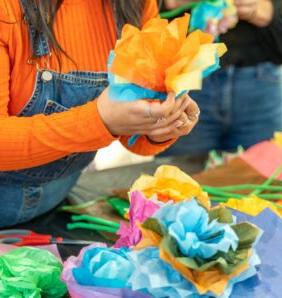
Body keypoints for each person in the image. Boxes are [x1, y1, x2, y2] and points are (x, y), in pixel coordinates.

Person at [0, 0, 200, 227]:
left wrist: (160, 124)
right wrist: (100, 121)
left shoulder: (135, 5)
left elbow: (136, 141)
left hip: (55, 206)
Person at [161, 0, 282, 156]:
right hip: (181, 78)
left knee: (264, 174)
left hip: (262, 83)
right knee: (177, 175)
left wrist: (266, 9)